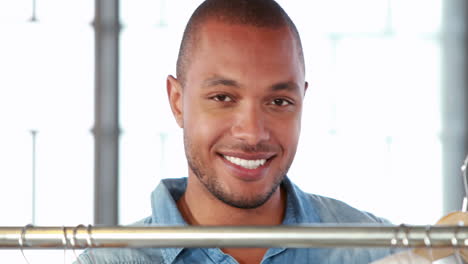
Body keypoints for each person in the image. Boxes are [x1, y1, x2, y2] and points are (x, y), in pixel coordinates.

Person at [77, 0, 467, 263]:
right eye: (223, 97)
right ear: (177, 101)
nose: (252, 133)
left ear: (302, 102)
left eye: (278, 102)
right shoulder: (107, 261)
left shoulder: (376, 249)